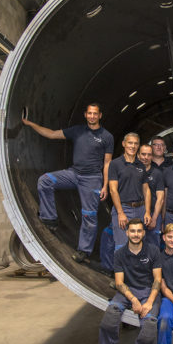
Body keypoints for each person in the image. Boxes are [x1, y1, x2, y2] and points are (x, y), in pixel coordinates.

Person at [22, 103, 113, 263]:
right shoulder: (77, 131)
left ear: (100, 116)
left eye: (95, 114)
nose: (92, 116)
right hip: (73, 174)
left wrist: (105, 185)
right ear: (85, 114)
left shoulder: (106, 137)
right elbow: (51, 134)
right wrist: (30, 124)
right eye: (89, 113)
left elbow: (107, 163)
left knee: (89, 215)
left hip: (92, 180)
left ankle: (84, 251)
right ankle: (50, 218)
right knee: (45, 181)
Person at [94, 218, 162, 344]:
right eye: (133, 231)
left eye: (139, 231)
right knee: (109, 318)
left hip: (149, 292)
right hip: (127, 292)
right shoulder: (120, 254)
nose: (136, 234)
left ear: (144, 233)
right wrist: (133, 299)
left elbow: (157, 280)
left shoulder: (153, 251)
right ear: (127, 233)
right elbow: (119, 282)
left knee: (149, 327)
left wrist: (148, 302)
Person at [105, 133, 152, 270]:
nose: (133, 146)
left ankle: (135, 276)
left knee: (139, 245)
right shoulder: (115, 164)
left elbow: (146, 190)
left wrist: (147, 211)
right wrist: (120, 212)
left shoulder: (141, 165)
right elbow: (113, 190)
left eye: (136, 143)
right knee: (121, 245)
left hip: (140, 209)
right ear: (124, 144)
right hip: (123, 208)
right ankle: (120, 277)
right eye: (130, 143)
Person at [138, 144, 165, 249]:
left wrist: (154, 218)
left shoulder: (157, 173)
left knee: (153, 245)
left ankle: (154, 265)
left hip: (154, 213)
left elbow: (160, 198)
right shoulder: (132, 171)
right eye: (143, 154)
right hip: (137, 211)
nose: (146, 157)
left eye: (149, 155)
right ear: (138, 155)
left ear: (152, 157)